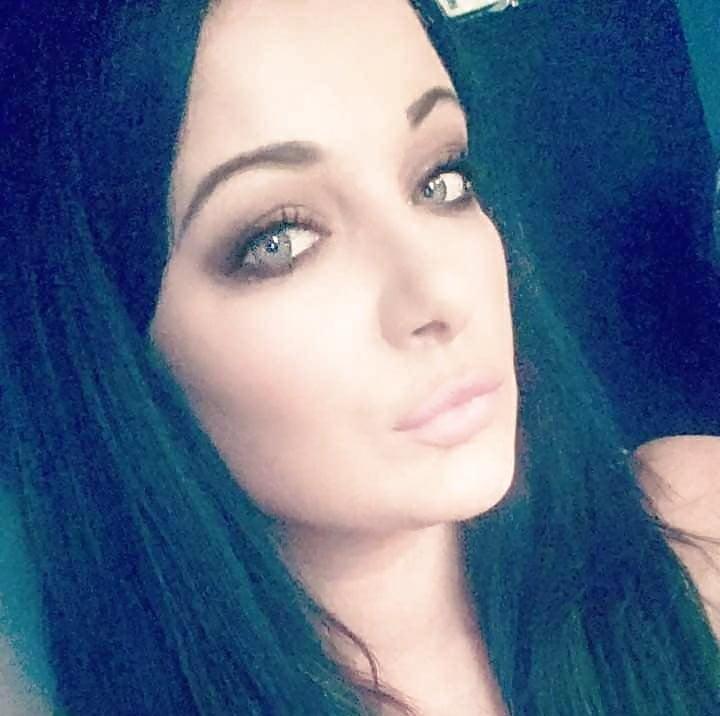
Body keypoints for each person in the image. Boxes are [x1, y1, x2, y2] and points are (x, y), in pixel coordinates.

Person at [1, 1, 718, 714]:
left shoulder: (699, 529)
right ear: (111, 347)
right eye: (280, 240)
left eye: (441, 180)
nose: (439, 293)